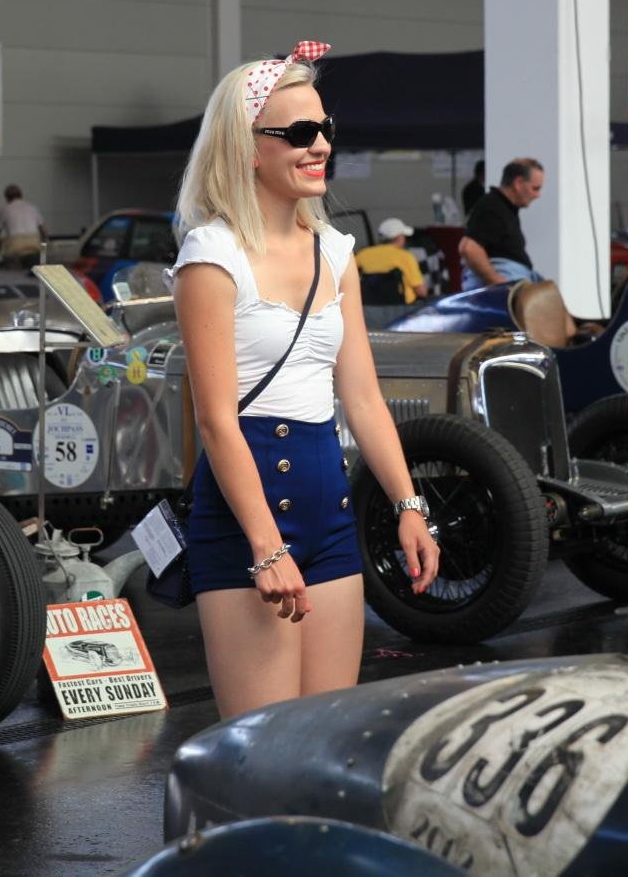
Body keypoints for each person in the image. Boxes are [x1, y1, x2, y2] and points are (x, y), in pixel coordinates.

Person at [171, 40, 439, 719]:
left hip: (329, 509)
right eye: (298, 133)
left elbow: (364, 398)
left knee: (324, 737)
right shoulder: (212, 254)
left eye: (324, 128)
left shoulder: (337, 252)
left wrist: (408, 506)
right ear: (246, 150)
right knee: (261, 750)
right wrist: (266, 548)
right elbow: (215, 420)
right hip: (247, 518)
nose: (320, 145)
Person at [458, 158, 545, 289]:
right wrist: (497, 282)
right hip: (507, 279)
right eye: (535, 188)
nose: (538, 195)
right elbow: (469, 248)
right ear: (518, 183)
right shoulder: (492, 207)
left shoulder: (504, 208)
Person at [354, 217, 428, 304]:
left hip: (370, 308)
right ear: (399, 237)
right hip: (403, 308)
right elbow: (421, 291)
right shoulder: (405, 256)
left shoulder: (363, 254)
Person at [0, 183, 46, 266]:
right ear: (21, 195)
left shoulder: (3, 210)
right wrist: (43, 256)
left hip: (15, 246)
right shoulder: (33, 208)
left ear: (6, 197)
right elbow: (44, 232)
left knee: (4, 242)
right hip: (34, 244)